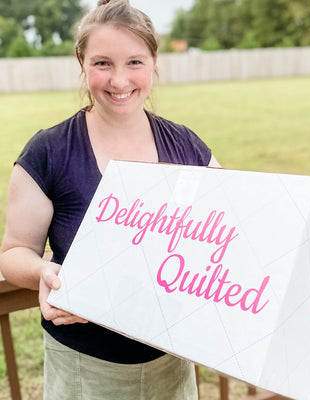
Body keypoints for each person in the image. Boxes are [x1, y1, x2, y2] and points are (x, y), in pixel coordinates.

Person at [0, 0, 220, 398]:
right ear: (82, 62)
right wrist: (43, 274)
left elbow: (229, 233)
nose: (119, 81)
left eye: (134, 62)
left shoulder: (188, 147)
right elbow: (14, 252)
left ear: (155, 61)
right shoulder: (49, 152)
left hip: (171, 362)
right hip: (85, 366)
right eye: (103, 63)